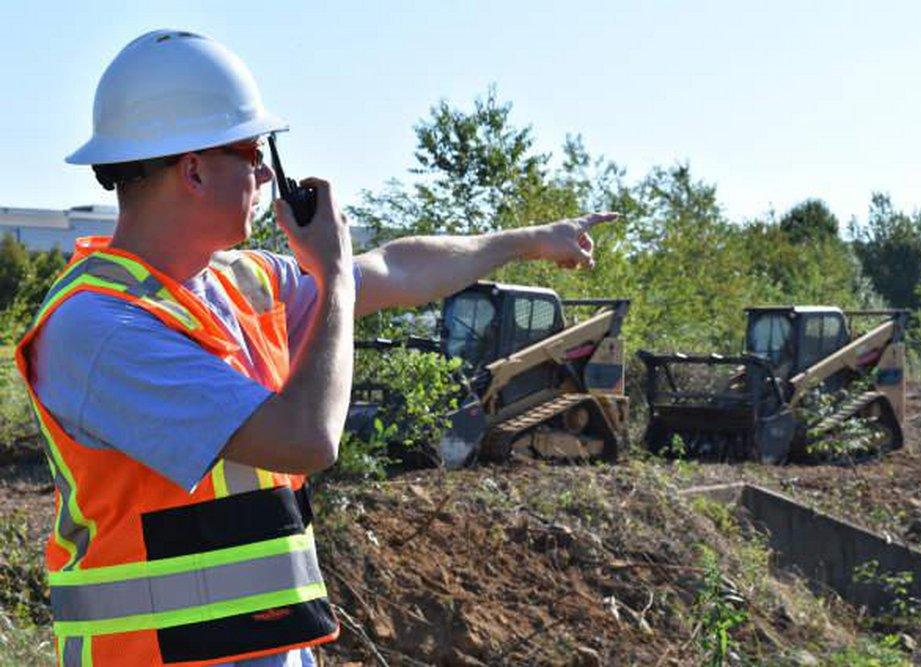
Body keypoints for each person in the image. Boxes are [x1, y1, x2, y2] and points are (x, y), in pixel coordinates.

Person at [15, 29, 616, 667]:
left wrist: (526, 240)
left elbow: (395, 268)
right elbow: (307, 438)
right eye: (251, 150)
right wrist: (330, 280)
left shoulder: (237, 283)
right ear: (191, 169)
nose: (265, 173)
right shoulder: (101, 329)